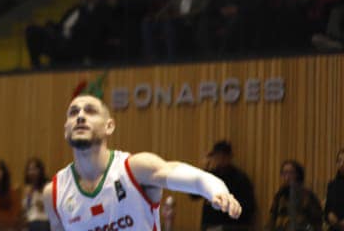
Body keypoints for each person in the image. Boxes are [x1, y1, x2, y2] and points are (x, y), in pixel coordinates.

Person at [44, 93, 241, 231]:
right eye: (73, 112)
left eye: (90, 111)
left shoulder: (135, 169)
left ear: (109, 126)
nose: (80, 116)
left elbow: (194, 178)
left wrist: (218, 191)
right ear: (65, 129)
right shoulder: (54, 192)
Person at [192, 141, 256, 231]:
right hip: (209, 225)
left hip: (231, 226)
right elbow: (193, 195)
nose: (220, 159)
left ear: (229, 157)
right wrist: (205, 169)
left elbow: (249, 206)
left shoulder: (240, 178)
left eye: (223, 156)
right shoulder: (210, 175)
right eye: (217, 156)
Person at [266, 160, 322, 231]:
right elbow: (272, 218)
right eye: (284, 173)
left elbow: (317, 220)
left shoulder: (307, 196)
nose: (287, 177)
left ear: (297, 175)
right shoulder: (279, 196)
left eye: (291, 173)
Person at [22, 158, 48, 231]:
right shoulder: (27, 188)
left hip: (43, 219)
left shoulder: (47, 187)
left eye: (34, 169)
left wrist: (44, 205)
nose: (32, 172)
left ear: (40, 170)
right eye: (30, 170)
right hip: (30, 220)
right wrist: (28, 196)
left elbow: (52, 208)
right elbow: (25, 209)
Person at [325, 148, 344, 231]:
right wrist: (329, 215)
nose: (342, 164)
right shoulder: (332, 185)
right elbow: (327, 208)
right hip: (334, 228)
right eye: (340, 161)